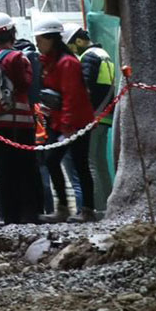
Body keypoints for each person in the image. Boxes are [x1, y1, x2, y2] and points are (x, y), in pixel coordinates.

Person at [0, 13, 44, 225]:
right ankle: (30, 214)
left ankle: (6, 216)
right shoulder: (17, 57)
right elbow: (27, 85)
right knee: (26, 170)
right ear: (11, 33)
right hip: (21, 123)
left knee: (2, 171)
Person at [34, 18, 96, 223]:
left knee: (79, 164)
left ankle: (87, 209)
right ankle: (64, 207)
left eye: (40, 40)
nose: (38, 45)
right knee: (52, 161)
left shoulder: (66, 63)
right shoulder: (50, 63)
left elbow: (72, 95)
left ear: (51, 39)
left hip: (75, 123)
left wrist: (68, 125)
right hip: (59, 121)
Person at [65, 23, 116, 216]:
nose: (71, 50)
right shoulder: (104, 55)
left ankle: (95, 208)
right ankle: (108, 207)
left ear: (78, 40)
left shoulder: (88, 57)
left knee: (91, 163)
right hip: (105, 116)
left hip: (93, 118)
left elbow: (84, 88)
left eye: (71, 45)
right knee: (101, 164)